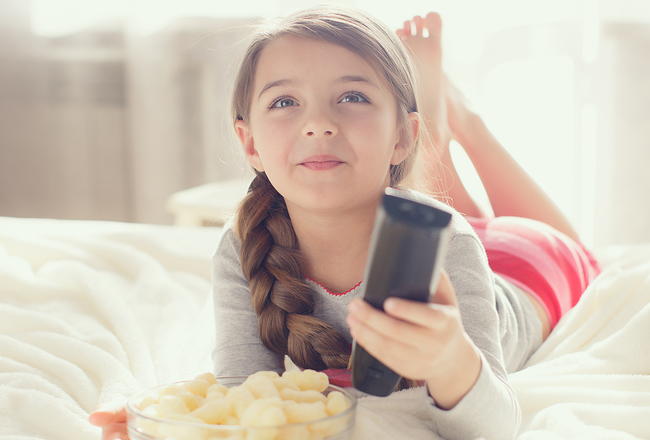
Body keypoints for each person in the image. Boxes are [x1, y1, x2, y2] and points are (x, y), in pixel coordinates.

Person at [90, 6, 600, 440]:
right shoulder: (245, 245)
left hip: (525, 268)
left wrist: (450, 361)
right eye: (285, 102)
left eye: (352, 97)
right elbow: (245, 393)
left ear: (401, 137)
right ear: (250, 144)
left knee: (564, 246)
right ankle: (438, 129)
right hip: (423, 219)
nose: (318, 123)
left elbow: (494, 425)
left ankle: (460, 124)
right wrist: (173, 421)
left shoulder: (449, 244)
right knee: (449, 210)